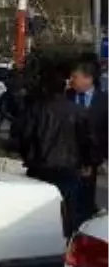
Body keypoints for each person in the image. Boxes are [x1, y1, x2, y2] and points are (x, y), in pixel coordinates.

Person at [17, 65, 91, 239]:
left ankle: (40, 243)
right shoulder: (78, 111)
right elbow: (86, 140)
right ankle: (65, 244)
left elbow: (24, 137)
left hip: (40, 167)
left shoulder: (36, 110)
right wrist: (87, 163)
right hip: (69, 167)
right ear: (64, 87)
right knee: (68, 210)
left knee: (39, 211)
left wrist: (28, 157)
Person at [67, 59, 109, 225]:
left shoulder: (105, 101)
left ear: (88, 78)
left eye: (75, 76)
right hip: (67, 160)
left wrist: (102, 159)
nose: (71, 80)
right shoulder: (66, 97)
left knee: (85, 202)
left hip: (93, 162)